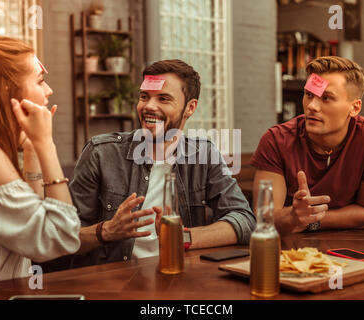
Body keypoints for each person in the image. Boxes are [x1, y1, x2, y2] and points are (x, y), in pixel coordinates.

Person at [68, 59, 255, 268]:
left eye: (163, 99)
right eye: (144, 97)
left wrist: (181, 238)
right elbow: (64, 237)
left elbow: (245, 220)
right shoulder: (101, 153)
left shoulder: (204, 154)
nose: (149, 106)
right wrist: (106, 231)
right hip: (115, 285)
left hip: (180, 279)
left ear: (190, 107)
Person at [0, 37, 81, 287]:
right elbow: (60, 237)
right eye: (39, 80)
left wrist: (32, 149)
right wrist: (46, 144)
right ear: (8, 90)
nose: (49, 91)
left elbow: (33, 224)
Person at [250, 56, 364, 235]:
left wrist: (310, 219)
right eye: (309, 94)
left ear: (355, 108)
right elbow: (265, 218)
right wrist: (294, 216)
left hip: (353, 243)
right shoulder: (276, 140)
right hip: (289, 247)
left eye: (326, 98)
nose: (312, 106)